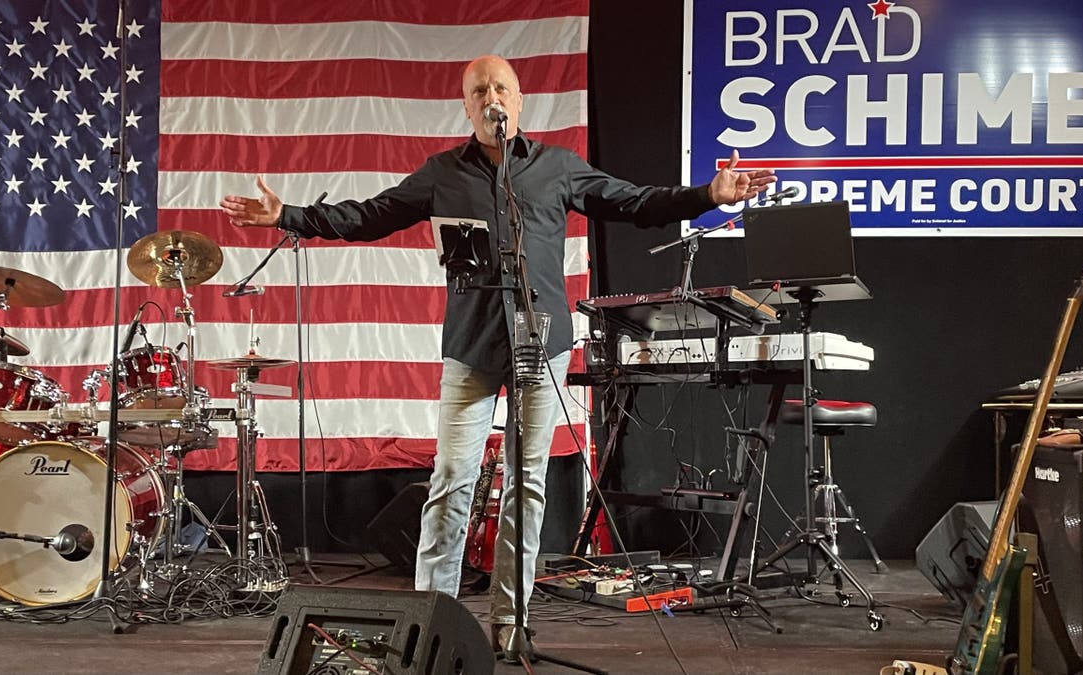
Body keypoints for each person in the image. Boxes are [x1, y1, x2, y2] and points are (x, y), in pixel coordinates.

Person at [220, 54, 776, 654]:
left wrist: (707, 196)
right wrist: (291, 217)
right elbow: (370, 216)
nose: (492, 96)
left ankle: (512, 625)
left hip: (543, 344)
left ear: (518, 101)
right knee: (452, 481)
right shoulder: (442, 173)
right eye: (479, 89)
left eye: (501, 87)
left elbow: (634, 203)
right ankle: (432, 623)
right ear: (467, 105)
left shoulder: (557, 168)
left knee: (527, 486)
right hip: (472, 348)